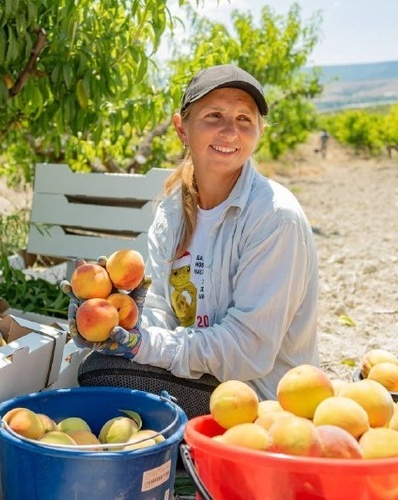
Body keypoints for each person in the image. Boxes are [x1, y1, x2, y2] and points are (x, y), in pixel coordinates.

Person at [61, 64, 320, 418]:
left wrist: (145, 345)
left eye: (245, 119)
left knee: (100, 373)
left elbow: (247, 350)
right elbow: (161, 313)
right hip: (205, 376)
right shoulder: (172, 214)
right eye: (214, 115)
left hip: (258, 398)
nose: (230, 131)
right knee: (95, 362)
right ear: (182, 128)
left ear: (259, 131)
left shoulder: (274, 217)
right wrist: (125, 323)